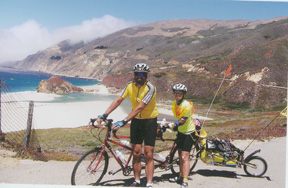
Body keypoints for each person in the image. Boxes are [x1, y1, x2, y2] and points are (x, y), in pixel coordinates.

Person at [97, 63, 158, 187]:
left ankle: (149, 183)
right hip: (136, 121)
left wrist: (123, 121)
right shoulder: (129, 85)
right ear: (134, 75)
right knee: (135, 152)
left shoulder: (151, 88)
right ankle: (137, 180)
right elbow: (119, 99)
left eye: (142, 74)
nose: (139, 76)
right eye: (137, 74)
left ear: (146, 76)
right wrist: (105, 114)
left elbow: (140, 107)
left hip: (149, 121)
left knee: (148, 153)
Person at [166, 83, 197, 188]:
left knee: (184, 157)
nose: (177, 94)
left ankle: (185, 180)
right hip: (180, 132)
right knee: (179, 155)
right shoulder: (174, 104)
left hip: (188, 133)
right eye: (176, 93)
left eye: (180, 93)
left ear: (183, 94)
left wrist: (171, 125)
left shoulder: (187, 105)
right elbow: (178, 118)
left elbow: (182, 120)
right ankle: (180, 176)